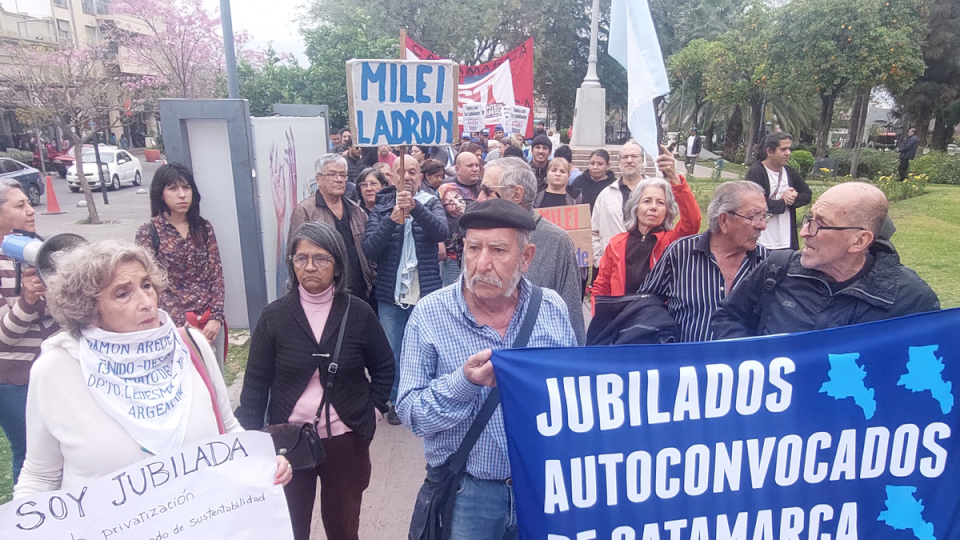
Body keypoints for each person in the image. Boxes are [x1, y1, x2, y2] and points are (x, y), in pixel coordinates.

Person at [15, 240, 293, 496]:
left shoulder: (190, 346)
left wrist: (264, 462)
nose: (146, 302)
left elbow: (228, 428)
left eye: (146, 285)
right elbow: (39, 477)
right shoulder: (56, 370)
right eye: (123, 294)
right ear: (88, 310)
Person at [397, 199, 577, 540]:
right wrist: (464, 383)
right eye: (473, 248)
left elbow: (570, 396)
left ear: (526, 258)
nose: (482, 263)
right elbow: (412, 413)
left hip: (539, 488)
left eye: (497, 250)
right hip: (468, 493)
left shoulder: (551, 309)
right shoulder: (430, 315)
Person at [238, 223, 393, 540]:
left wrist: (372, 411)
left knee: (343, 527)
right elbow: (255, 384)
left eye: (321, 258)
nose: (309, 266)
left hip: (346, 440)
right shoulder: (275, 316)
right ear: (291, 264)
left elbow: (385, 366)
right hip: (287, 444)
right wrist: (250, 442)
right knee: (289, 528)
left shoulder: (358, 313)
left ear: (337, 265)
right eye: (301, 258)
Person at [711, 182, 940, 338]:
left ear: (859, 241)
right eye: (809, 218)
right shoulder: (778, 269)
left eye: (820, 224)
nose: (804, 233)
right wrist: (756, 360)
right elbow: (728, 317)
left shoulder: (911, 300)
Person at [362, 155, 448, 424]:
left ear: (420, 178)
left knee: (428, 348)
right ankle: (399, 399)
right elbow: (369, 249)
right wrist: (392, 220)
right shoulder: (380, 208)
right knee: (392, 349)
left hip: (425, 294)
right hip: (392, 295)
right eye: (402, 172)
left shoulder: (432, 203)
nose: (408, 176)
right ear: (391, 178)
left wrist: (416, 210)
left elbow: (442, 233)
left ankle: (427, 396)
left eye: (413, 171)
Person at [640, 181, 769, 342]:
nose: (762, 225)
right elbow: (646, 303)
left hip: (741, 364)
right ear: (724, 220)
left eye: (764, 216)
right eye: (753, 216)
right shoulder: (681, 252)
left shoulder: (765, 261)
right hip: (687, 363)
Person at [478, 158, 586, 345]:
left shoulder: (557, 241)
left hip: (534, 357)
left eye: (488, 191)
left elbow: (572, 317)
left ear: (516, 194)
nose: (479, 198)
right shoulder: (478, 233)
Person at [135, 163, 226, 364]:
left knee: (214, 377)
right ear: (161, 194)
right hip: (174, 324)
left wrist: (216, 316)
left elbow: (216, 272)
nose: (182, 194)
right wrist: (182, 325)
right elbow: (149, 283)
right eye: (173, 188)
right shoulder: (149, 232)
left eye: (186, 188)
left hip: (209, 321)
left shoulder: (202, 228)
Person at [0, 179, 59, 484]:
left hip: (54, 367)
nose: (30, 210)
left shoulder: (40, 250)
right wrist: (27, 300)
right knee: (28, 454)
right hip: (14, 378)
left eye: (29, 203)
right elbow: (4, 336)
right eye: (19, 205)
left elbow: (62, 315)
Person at [591, 154, 701, 309]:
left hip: (658, 321)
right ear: (635, 208)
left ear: (667, 211)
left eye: (660, 202)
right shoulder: (617, 244)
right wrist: (600, 319)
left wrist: (675, 179)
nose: (653, 207)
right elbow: (601, 288)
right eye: (647, 201)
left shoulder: (672, 241)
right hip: (621, 320)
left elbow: (692, 221)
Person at [289, 155, 375, 306]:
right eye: (332, 174)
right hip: (324, 291)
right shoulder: (305, 211)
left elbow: (369, 250)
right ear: (318, 179)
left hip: (359, 290)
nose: (339, 179)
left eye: (343, 175)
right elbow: (294, 254)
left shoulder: (356, 210)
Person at [591, 140, 656, 265]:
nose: (629, 160)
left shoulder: (654, 191)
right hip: (612, 264)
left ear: (642, 160)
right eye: (625, 157)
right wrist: (600, 261)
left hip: (646, 264)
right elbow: (594, 231)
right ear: (619, 162)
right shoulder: (606, 195)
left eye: (634, 156)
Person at [745, 132, 812, 250]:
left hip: (787, 240)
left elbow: (807, 194)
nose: (788, 153)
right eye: (783, 149)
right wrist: (782, 202)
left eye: (789, 149)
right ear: (770, 151)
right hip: (762, 240)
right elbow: (753, 202)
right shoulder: (756, 172)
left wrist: (792, 199)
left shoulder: (790, 172)